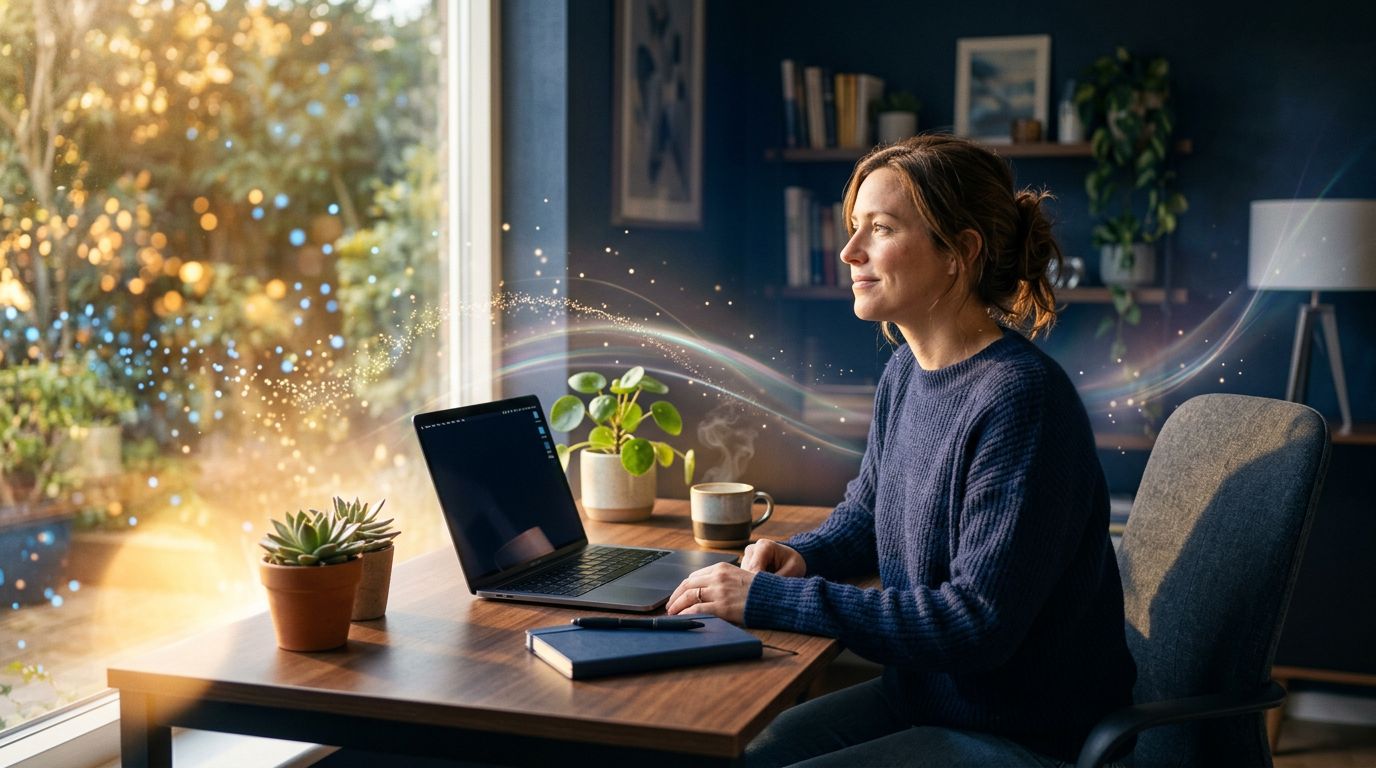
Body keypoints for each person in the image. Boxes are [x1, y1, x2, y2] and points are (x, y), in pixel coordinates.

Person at [667, 134, 1136, 766]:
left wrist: (770, 600)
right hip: (924, 699)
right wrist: (798, 559)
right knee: (747, 756)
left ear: (959, 254)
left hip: (1021, 732)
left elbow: (977, 624)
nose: (849, 251)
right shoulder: (905, 375)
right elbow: (866, 518)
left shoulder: (1023, 401)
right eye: (854, 227)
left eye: (880, 229)